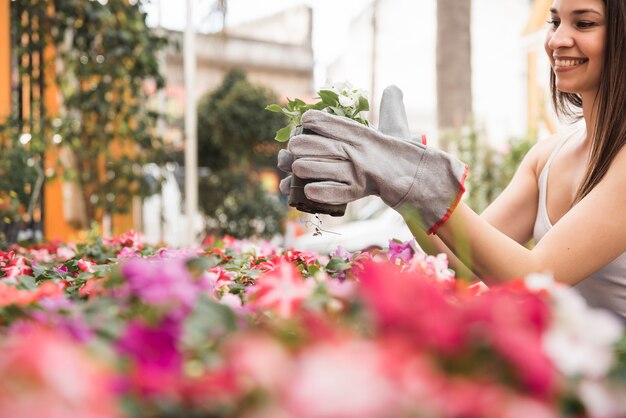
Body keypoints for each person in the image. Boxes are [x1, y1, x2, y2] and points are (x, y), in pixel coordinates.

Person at [278, 0, 626, 321]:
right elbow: (461, 261)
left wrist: (418, 179)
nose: (557, 39)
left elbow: (535, 276)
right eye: (554, 21)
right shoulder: (548, 156)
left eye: (583, 24)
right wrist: (398, 187)